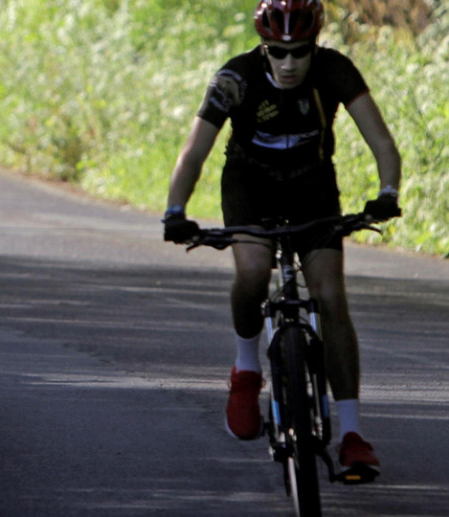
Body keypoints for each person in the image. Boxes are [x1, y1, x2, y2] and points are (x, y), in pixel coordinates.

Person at [163, 0, 401, 481]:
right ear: (263, 47)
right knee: (252, 272)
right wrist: (175, 211)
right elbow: (195, 151)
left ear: (315, 47)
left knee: (331, 296)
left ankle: (352, 435)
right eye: (278, 52)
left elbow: (381, 140)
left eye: (300, 52)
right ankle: (246, 370)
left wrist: (387, 194)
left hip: (312, 185)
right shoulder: (236, 77)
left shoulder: (335, 70)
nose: (289, 63)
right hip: (250, 185)